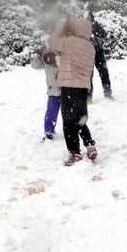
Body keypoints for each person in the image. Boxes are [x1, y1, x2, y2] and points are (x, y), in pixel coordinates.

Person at [47, 16, 98, 165]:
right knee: (80, 118)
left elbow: (52, 40)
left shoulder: (69, 42)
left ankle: (75, 152)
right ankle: (89, 144)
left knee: (68, 121)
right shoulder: (90, 46)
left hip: (69, 86)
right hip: (83, 88)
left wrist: (62, 29)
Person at [31, 45, 61, 140]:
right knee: (51, 112)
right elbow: (34, 65)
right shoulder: (45, 56)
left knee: (68, 113)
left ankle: (72, 130)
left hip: (66, 89)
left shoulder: (64, 51)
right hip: (52, 90)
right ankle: (49, 131)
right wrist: (39, 56)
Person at [87, 15, 113, 102]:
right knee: (88, 77)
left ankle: (108, 93)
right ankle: (88, 97)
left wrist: (99, 39)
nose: (88, 18)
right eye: (86, 17)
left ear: (92, 17)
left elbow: (106, 38)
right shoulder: (81, 28)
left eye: (89, 17)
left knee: (104, 73)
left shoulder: (96, 25)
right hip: (87, 55)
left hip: (99, 53)